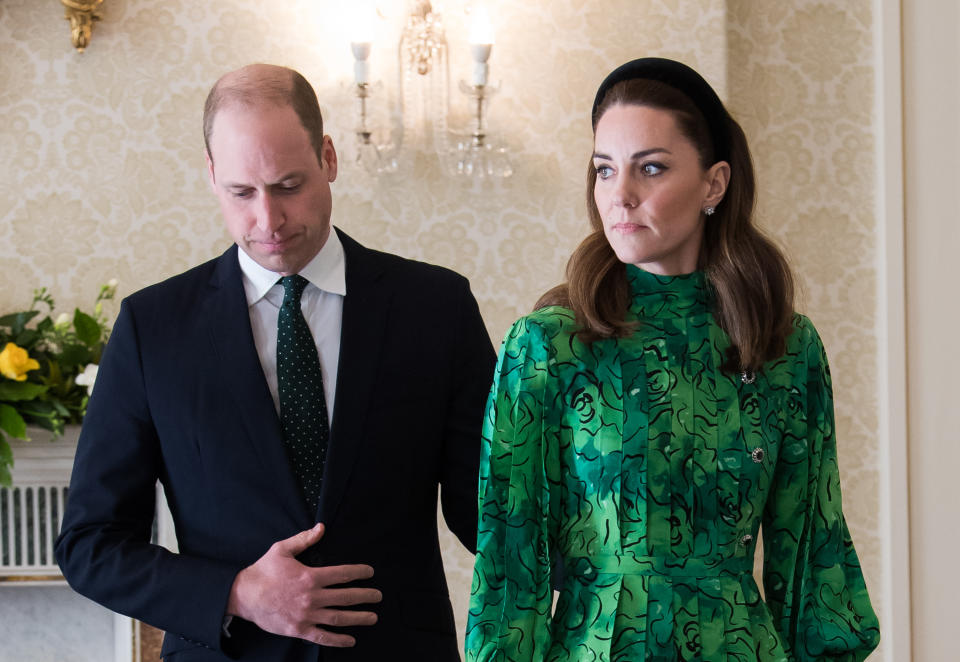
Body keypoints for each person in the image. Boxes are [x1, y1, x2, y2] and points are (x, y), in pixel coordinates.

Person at [55, 63, 496, 662]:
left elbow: (490, 509)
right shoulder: (150, 328)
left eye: (289, 185)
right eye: (241, 192)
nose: (268, 220)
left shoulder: (436, 306)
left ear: (329, 159)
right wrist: (234, 593)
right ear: (211, 175)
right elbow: (91, 544)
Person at [466, 58, 880, 662]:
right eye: (604, 171)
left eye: (650, 169)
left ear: (714, 184)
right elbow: (510, 552)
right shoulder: (548, 346)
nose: (620, 196)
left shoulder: (785, 346)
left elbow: (814, 550)